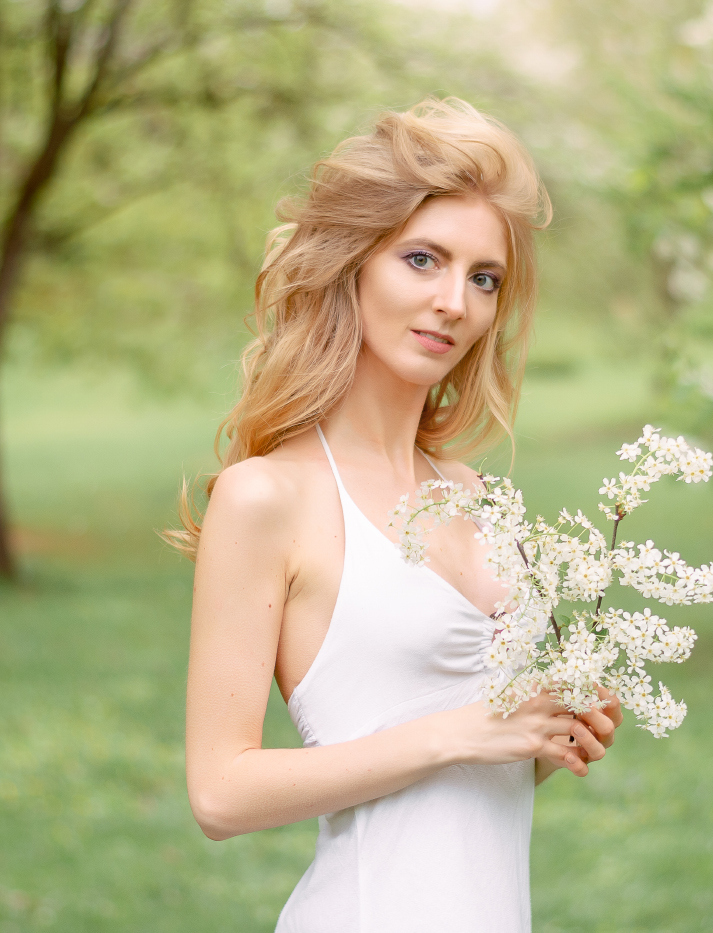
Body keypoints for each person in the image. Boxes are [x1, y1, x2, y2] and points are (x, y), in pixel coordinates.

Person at [171, 98, 622, 932]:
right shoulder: (269, 497)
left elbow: (468, 784)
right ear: (354, 264)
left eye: (484, 278)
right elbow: (218, 791)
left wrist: (551, 729)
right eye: (423, 259)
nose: (455, 301)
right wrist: (462, 731)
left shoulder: (487, 504)